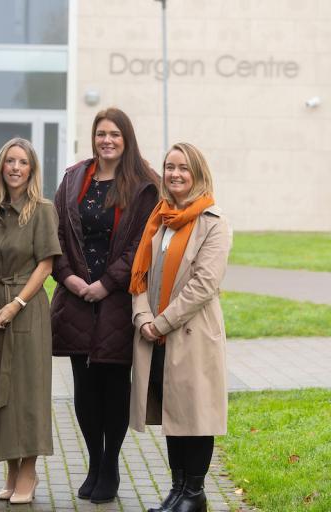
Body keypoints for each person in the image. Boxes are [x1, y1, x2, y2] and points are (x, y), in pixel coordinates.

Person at [50, 107, 159, 504]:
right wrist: (70, 278)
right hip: (76, 299)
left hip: (118, 301)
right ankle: (94, 461)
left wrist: (106, 283)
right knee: (84, 389)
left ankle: (110, 465)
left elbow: (141, 245)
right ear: (93, 138)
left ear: (126, 139)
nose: (107, 140)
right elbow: (56, 234)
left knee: (114, 387)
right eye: (101, 134)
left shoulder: (145, 186)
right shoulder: (74, 178)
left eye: (114, 134)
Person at [129, 142, 230, 512]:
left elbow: (204, 285)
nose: (174, 174)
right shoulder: (159, 219)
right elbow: (139, 276)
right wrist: (143, 318)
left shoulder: (213, 222)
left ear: (198, 173)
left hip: (191, 335)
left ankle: (194, 492)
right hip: (155, 334)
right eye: (169, 167)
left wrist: (162, 324)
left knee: (195, 414)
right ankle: (178, 489)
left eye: (183, 168)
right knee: (174, 414)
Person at [0, 138, 61, 504]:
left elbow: (47, 264)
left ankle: (29, 472)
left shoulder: (42, 209)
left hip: (27, 311)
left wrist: (16, 304)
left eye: (22, 162)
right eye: (9, 160)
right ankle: (11, 470)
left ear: (31, 168)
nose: (14, 167)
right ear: (0, 167)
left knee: (27, 393)